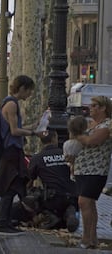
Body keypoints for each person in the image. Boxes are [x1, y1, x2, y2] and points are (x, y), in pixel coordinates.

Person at [0, 75, 45, 236]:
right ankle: (2, 223)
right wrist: (33, 133)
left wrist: (32, 126)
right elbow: (14, 131)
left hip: (12, 150)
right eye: (29, 91)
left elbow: (13, 128)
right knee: (11, 187)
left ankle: (5, 221)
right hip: (11, 151)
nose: (29, 95)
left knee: (14, 186)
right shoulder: (12, 105)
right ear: (22, 88)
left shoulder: (8, 102)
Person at [73, 96, 112, 249]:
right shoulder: (90, 124)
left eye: (95, 105)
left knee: (84, 201)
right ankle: (92, 238)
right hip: (82, 168)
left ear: (103, 108)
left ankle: (86, 238)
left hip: (96, 169)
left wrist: (77, 135)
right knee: (89, 203)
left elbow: (92, 141)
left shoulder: (107, 124)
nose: (91, 108)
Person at [28, 130, 79, 232]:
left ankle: (49, 215)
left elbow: (29, 180)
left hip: (53, 199)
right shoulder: (66, 154)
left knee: (33, 192)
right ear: (54, 138)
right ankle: (70, 212)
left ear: (41, 141)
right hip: (72, 196)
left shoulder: (37, 158)